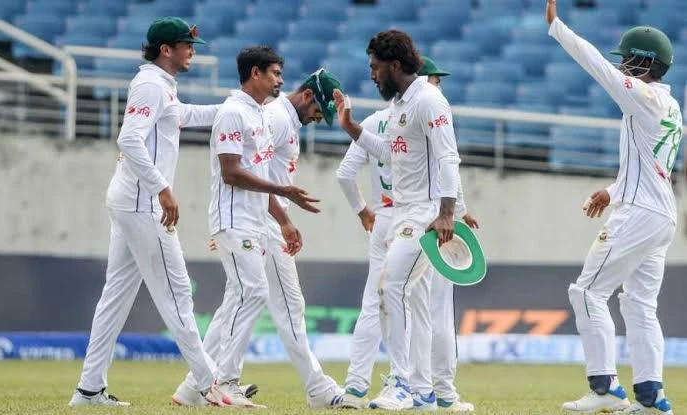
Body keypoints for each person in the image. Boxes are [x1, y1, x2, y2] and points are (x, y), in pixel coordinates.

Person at [69, 17, 228, 407]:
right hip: (141, 203)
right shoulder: (150, 85)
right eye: (186, 45)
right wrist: (163, 189)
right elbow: (129, 138)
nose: (193, 50)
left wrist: (234, 107)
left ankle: (89, 389)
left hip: (131, 201)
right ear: (165, 50)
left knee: (116, 297)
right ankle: (209, 385)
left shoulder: (162, 88)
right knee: (177, 295)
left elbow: (184, 116)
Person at [546, 0, 682, 413]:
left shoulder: (645, 98)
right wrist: (614, 188)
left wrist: (558, 27)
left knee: (586, 291)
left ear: (646, 62)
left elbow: (596, 67)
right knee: (639, 305)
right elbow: (650, 165)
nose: (621, 66)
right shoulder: (669, 104)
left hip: (640, 214)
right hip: (658, 213)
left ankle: (604, 389)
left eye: (627, 60)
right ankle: (650, 398)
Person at [170, 46, 320, 408]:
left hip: (254, 221)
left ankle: (196, 388)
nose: (280, 81)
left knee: (240, 297)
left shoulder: (258, 115)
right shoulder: (233, 113)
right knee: (253, 292)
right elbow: (232, 172)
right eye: (274, 74)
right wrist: (282, 190)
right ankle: (225, 382)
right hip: (234, 219)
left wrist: (283, 219)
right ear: (255, 73)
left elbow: (259, 175)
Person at [198, 68, 347, 409]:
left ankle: (197, 382)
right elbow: (250, 172)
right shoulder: (278, 118)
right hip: (262, 223)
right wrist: (281, 222)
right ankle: (318, 389)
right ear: (308, 96)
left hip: (252, 220)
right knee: (289, 308)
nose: (315, 119)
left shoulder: (282, 119)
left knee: (233, 304)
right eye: (316, 112)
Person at [336, 56, 475, 412]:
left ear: (394, 65)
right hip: (400, 215)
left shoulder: (427, 100)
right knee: (420, 307)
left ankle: (404, 384)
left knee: (389, 288)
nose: (371, 74)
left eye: (375, 66)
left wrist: (448, 213)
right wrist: (351, 128)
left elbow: (449, 158)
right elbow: (391, 155)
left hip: (425, 217)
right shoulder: (399, 107)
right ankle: (428, 391)